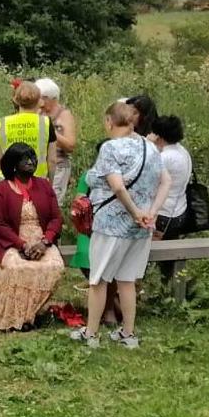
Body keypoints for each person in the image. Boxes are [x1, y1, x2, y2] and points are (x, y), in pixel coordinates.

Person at [70, 101, 171, 349]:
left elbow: (116, 186)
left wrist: (135, 212)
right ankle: (128, 333)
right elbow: (166, 181)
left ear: (109, 121)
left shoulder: (110, 148)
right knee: (127, 280)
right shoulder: (150, 147)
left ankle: (91, 333)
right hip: (141, 228)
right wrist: (151, 213)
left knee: (98, 280)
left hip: (111, 224)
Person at [0, 143, 64, 330]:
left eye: (33, 157)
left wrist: (45, 242)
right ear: (13, 164)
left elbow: (56, 218)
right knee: (16, 268)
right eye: (25, 159)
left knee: (54, 266)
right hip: (9, 241)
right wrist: (22, 244)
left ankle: (29, 314)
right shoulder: (1, 190)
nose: (31, 162)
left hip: (42, 240)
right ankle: (15, 318)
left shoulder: (44, 185)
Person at [149, 115, 193, 301]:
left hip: (163, 214)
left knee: (148, 256)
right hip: (179, 210)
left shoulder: (164, 157)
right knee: (168, 261)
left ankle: (153, 291)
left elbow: (149, 178)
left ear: (159, 136)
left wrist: (149, 145)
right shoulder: (183, 152)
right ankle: (170, 291)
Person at [0, 81, 56, 184]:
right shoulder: (45, 123)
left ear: (16, 100)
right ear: (38, 101)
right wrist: (50, 183)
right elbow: (52, 160)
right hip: (36, 181)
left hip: (8, 181)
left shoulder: (3, 123)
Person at [36, 78, 77, 203]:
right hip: (38, 166)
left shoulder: (64, 115)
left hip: (58, 167)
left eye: (42, 98)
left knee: (52, 203)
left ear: (52, 98)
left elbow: (70, 145)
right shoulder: (38, 113)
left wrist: (49, 130)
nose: (39, 102)